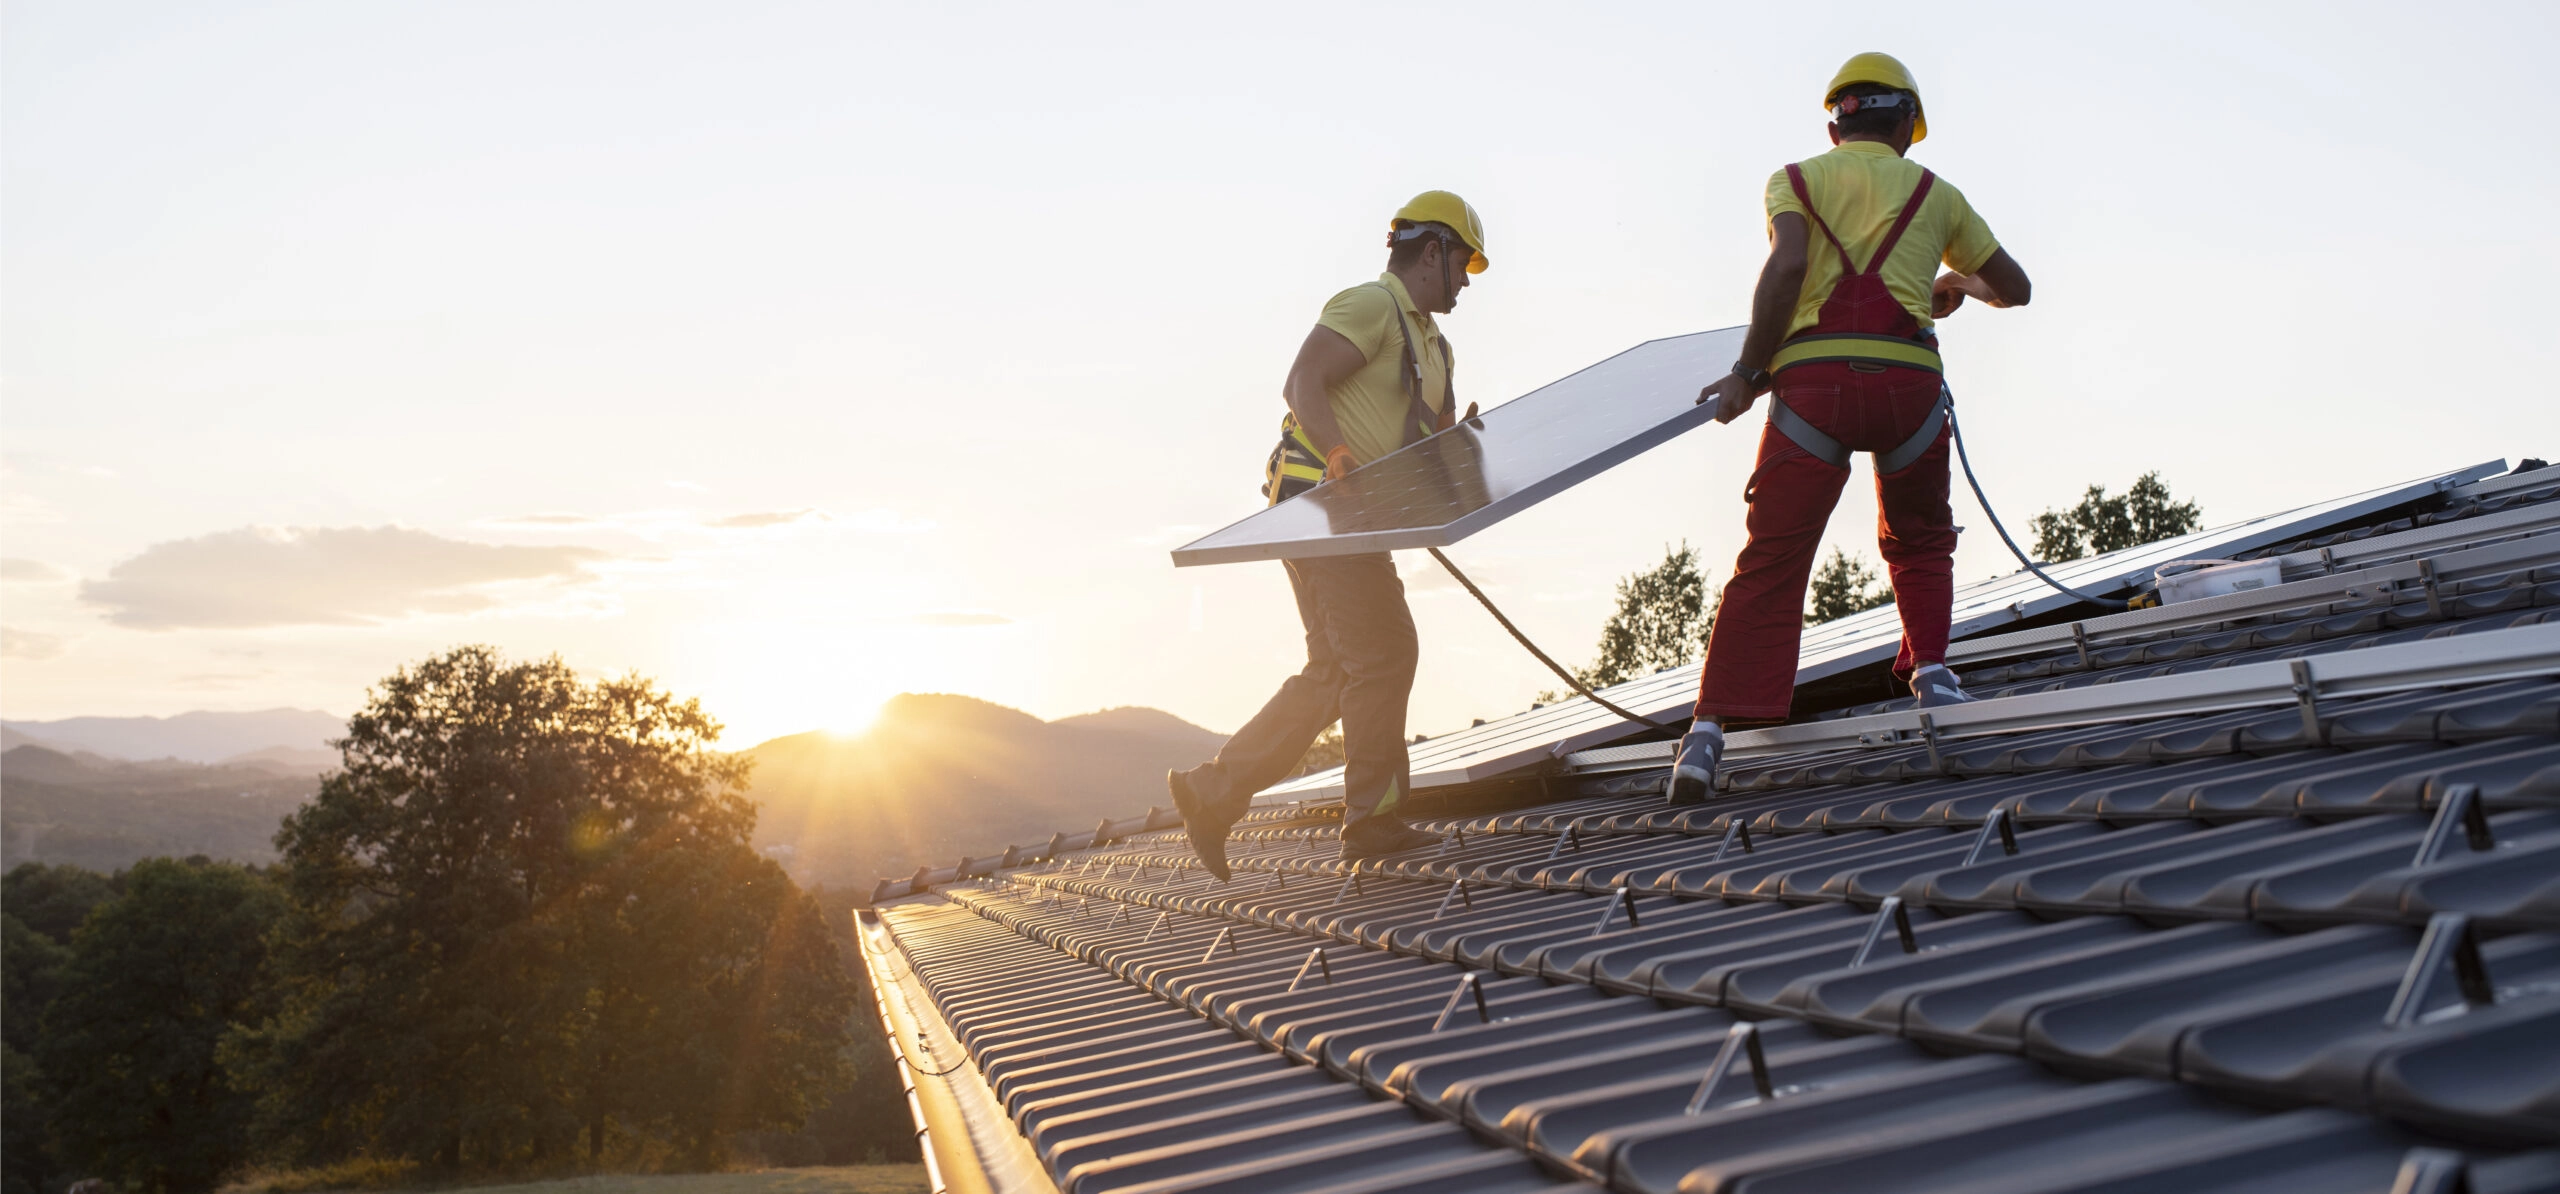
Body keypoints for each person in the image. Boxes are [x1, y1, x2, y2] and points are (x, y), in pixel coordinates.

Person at [1671, 53, 2032, 803]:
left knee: (1772, 554)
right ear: (1905, 122)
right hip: (1908, 386)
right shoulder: (1938, 194)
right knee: (1921, 537)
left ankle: (1707, 735)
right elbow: (2015, 288)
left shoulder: (1797, 181)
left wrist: (1746, 371)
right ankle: (1932, 675)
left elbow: (1788, 267)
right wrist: (1955, 283)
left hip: (1812, 390)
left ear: (1837, 121)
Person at [1168, 191, 1490, 878]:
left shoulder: (1435, 347)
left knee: (1339, 667)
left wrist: (1458, 442)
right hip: (1323, 500)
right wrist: (1339, 451)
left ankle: (1213, 791)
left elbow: (1422, 445)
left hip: (1349, 511)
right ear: (1430, 252)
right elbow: (1303, 380)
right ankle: (1372, 821)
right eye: (1462, 262)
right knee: (1385, 650)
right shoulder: (1371, 305)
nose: (1465, 279)